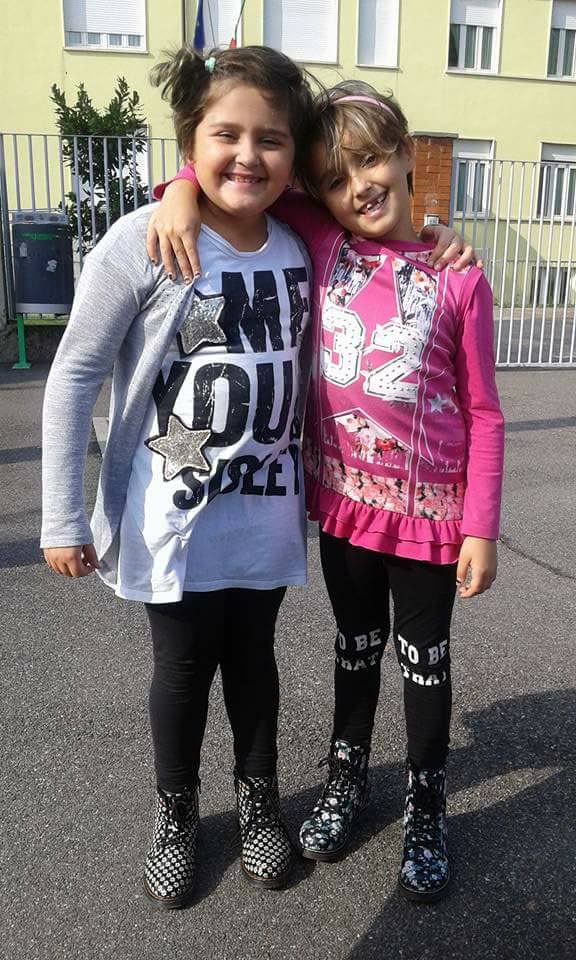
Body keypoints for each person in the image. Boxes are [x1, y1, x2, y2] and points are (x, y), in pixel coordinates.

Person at [146, 79, 504, 904]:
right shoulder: (322, 238)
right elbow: (250, 182)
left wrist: (481, 527)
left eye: (372, 161)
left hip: (430, 520)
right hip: (345, 505)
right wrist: (179, 189)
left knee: (424, 664)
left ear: (408, 154)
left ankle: (425, 806)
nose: (358, 188)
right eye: (336, 180)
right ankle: (346, 780)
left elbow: (485, 411)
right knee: (355, 650)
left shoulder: (459, 278)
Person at [41, 44, 327, 909]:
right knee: (183, 667)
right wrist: (61, 517)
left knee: (255, 659)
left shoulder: (300, 240)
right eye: (226, 135)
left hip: (266, 510)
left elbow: (371, 205)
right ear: (189, 142)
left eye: (271, 139)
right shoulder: (145, 240)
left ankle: (259, 803)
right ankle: (177, 816)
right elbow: (74, 374)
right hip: (172, 513)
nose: (248, 155)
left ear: (294, 153)